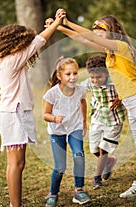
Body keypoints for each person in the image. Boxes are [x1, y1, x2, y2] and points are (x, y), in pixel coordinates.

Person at [53, 9, 136, 198]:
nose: (95, 34)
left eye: (99, 31)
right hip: (129, 103)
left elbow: (88, 37)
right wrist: (58, 27)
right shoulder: (110, 52)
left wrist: (68, 22)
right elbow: (84, 40)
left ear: (110, 31)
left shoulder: (121, 46)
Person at [0, 12, 65, 207]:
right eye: (23, 42)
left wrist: (50, 26)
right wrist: (55, 24)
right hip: (13, 114)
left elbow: (35, 44)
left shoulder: (7, 59)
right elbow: (38, 42)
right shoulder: (11, 60)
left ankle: (16, 204)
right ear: (14, 42)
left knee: (17, 163)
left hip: (14, 113)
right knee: (16, 163)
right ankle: (15, 205)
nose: (25, 46)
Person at [43, 57, 91, 207]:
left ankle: (79, 190)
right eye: (68, 74)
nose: (72, 77)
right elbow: (45, 115)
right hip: (57, 131)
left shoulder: (80, 89)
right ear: (59, 76)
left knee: (79, 155)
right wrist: (54, 118)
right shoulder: (52, 93)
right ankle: (53, 192)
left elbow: (83, 102)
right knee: (60, 167)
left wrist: (83, 121)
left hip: (74, 127)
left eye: (75, 73)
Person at [83, 54, 126, 189]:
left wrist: (121, 98)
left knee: (103, 148)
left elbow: (129, 89)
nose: (96, 80)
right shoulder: (89, 83)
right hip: (98, 119)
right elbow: (76, 90)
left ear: (106, 74)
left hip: (114, 120)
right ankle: (109, 161)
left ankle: (97, 177)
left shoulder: (116, 82)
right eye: (93, 77)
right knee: (94, 149)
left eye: (99, 77)